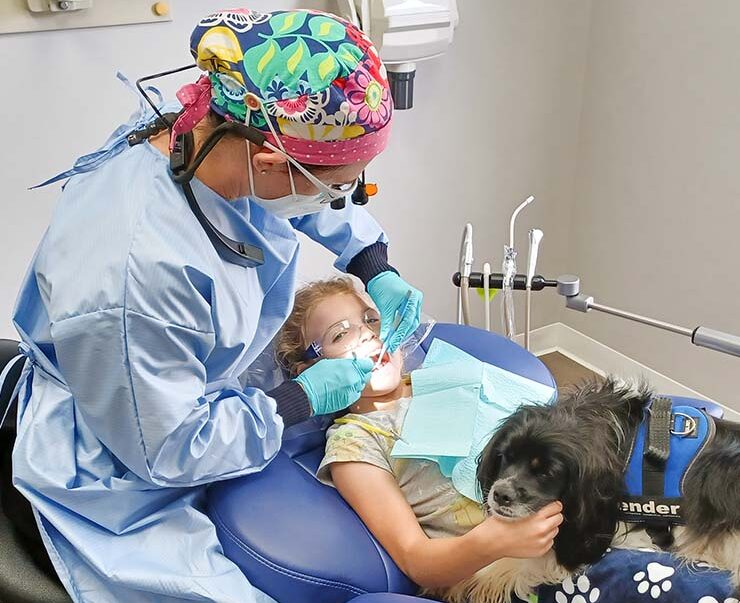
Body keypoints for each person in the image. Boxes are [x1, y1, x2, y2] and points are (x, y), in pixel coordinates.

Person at [8, 8, 422, 603]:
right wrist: (302, 397)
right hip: (123, 460)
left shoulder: (211, 131)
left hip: (192, 389)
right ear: (271, 162)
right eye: (341, 187)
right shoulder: (139, 269)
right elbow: (168, 448)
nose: (343, 201)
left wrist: (371, 262)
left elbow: (303, 194)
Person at [276, 278, 564, 592]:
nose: (368, 334)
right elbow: (418, 560)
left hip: (573, 513)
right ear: (310, 372)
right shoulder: (356, 442)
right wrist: (493, 541)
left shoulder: (444, 375)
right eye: (341, 334)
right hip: (513, 572)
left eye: (371, 319)